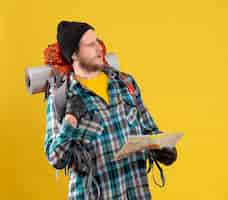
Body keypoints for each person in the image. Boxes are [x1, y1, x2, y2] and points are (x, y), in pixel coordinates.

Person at [43, 20, 177, 200]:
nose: (99, 48)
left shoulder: (125, 83)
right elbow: (56, 158)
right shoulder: (61, 97)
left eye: (97, 41)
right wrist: (70, 119)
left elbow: (149, 129)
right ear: (74, 54)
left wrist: (162, 148)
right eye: (90, 44)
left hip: (136, 193)